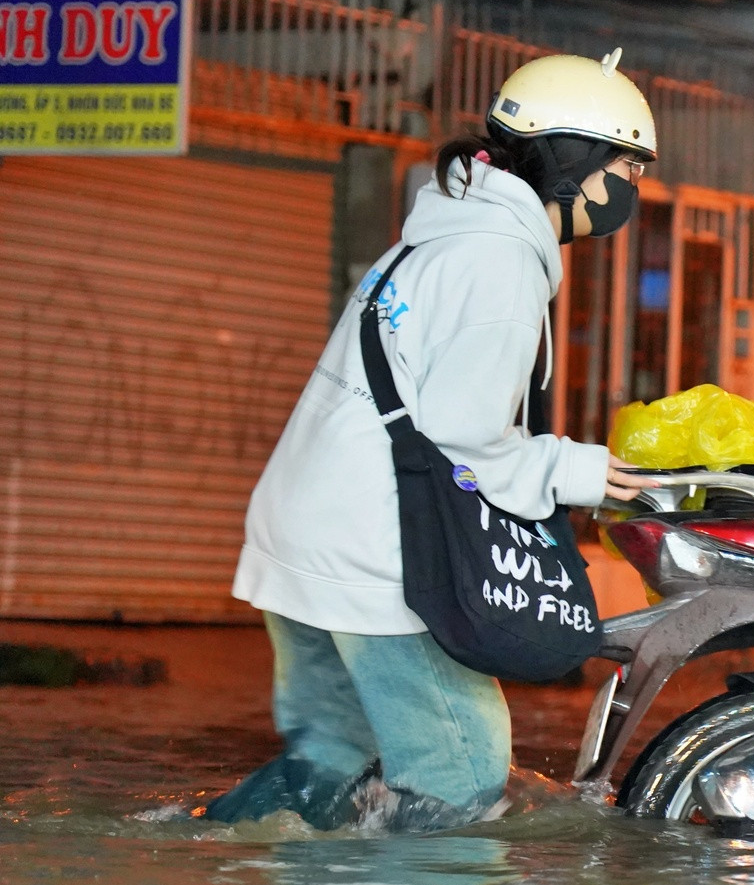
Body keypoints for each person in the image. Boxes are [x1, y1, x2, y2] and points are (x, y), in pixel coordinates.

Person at [206, 50, 656, 832]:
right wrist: (574, 468)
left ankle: (195, 869)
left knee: (327, 777)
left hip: (305, 531)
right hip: (373, 550)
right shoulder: (501, 263)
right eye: (628, 166)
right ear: (573, 160)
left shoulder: (442, 237)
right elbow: (464, 440)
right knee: (462, 775)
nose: (631, 190)